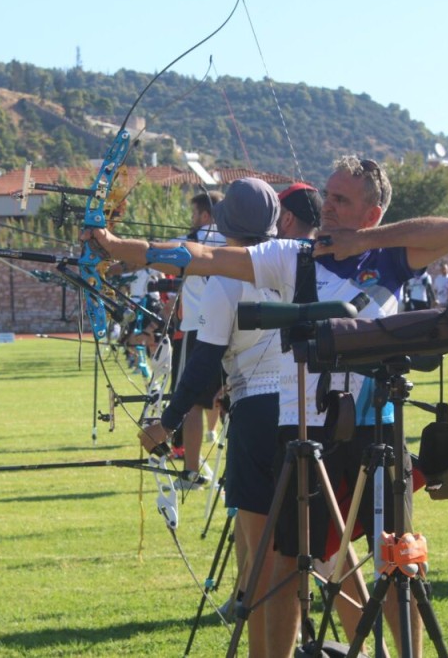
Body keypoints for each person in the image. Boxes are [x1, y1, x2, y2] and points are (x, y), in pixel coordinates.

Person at [86, 158, 448, 657]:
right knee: (287, 566)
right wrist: (119, 248)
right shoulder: (292, 255)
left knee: (397, 562)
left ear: (372, 213)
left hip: (376, 430)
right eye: (327, 196)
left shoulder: (392, 255)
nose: (326, 207)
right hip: (304, 428)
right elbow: (203, 257)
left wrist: (363, 243)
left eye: (342, 200)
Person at [140, 179, 283, 656]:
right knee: (300, 552)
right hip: (306, 414)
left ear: (223, 228)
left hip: (257, 416)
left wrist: (167, 422)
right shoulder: (298, 261)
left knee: (259, 551)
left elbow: (202, 361)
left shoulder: (224, 283)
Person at [168, 191, 226, 486]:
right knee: (231, 399)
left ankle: (191, 471)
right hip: (233, 330)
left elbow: (154, 255)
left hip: (196, 330)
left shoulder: (188, 241)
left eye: (195, 215)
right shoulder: (237, 242)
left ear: (205, 215)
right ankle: (233, 474)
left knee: (191, 403)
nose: (193, 221)